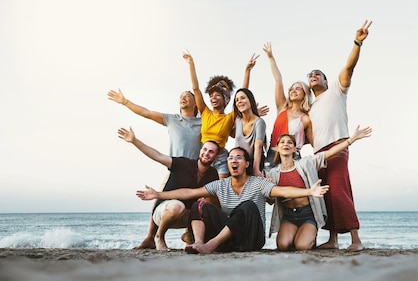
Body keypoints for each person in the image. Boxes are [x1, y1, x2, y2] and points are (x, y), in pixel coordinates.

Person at [136, 147, 329, 254]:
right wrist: (158, 195)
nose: (233, 161)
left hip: (251, 239)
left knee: (247, 206)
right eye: (230, 158)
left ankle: (210, 245)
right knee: (200, 203)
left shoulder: (257, 183)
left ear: (246, 164)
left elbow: (281, 190)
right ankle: (201, 242)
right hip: (229, 240)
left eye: (238, 158)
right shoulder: (221, 184)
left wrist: (309, 192)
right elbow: (189, 192)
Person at [307, 19, 373, 252]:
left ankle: (356, 241)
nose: (313, 76)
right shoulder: (311, 108)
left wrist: (357, 43)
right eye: (310, 75)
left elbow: (349, 68)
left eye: (318, 74)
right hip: (319, 155)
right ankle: (333, 240)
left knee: (340, 191)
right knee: (326, 195)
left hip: (338, 147)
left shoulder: (336, 89)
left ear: (326, 80)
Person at [107, 89, 202, 249]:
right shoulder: (172, 119)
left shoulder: (203, 122)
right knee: (159, 197)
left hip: (196, 172)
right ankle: (151, 237)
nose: (183, 97)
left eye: (188, 95)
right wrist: (125, 102)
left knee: (194, 204)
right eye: (181, 96)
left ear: (195, 103)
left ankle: (189, 237)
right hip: (174, 168)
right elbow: (147, 113)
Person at [267, 125, 372, 251]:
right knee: (283, 245)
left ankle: (308, 234)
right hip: (288, 216)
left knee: (302, 246)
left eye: (290, 142)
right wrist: (269, 189)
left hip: (307, 214)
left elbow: (328, 153)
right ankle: (298, 234)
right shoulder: (273, 173)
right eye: (282, 142)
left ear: (295, 149)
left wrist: (352, 139)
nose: (286, 144)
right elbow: (270, 201)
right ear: (277, 148)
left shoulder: (305, 163)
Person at [118, 126, 220, 251]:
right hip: (165, 211)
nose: (206, 153)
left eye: (211, 152)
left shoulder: (213, 174)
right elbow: (158, 156)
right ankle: (159, 236)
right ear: (200, 151)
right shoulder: (183, 164)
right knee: (177, 206)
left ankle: (192, 239)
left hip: (187, 217)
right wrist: (135, 141)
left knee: (207, 208)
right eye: (205, 149)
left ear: (216, 157)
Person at [184, 52, 265, 178]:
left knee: (220, 190)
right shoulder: (205, 113)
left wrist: (247, 71)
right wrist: (191, 64)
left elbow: (242, 93)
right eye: (211, 96)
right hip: (206, 156)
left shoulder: (230, 118)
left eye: (217, 95)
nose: (213, 98)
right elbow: (196, 89)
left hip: (221, 158)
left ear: (225, 99)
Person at [261, 42, 314, 170]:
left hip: (293, 157)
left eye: (298, 89)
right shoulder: (282, 108)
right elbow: (278, 80)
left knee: (292, 188)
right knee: (269, 187)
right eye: (291, 89)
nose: (293, 90)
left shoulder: (306, 119)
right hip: (272, 155)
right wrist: (270, 57)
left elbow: (314, 143)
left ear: (305, 94)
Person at [232, 88, 267, 177]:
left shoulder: (259, 122)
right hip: (237, 162)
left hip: (253, 162)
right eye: (237, 100)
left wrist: (256, 169)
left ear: (250, 100)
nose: (239, 101)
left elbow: (258, 146)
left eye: (243, 98)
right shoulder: (238, 120)